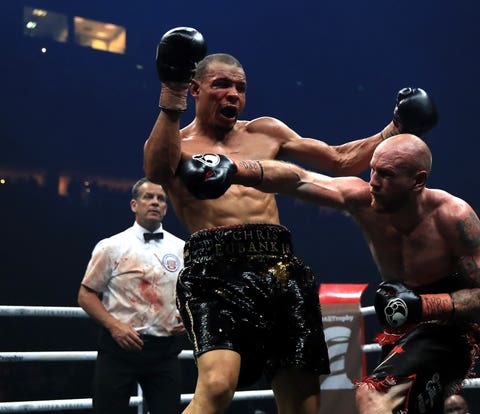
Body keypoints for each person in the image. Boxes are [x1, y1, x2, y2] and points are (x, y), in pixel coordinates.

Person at [143, 26, 437, 414]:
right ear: (195, 88)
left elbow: (338, 159)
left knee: (303, 402)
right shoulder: (176, 143)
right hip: (216, 272)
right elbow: (157, 171)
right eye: (222, 85)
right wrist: (172, 90)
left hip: (280, 269)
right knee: (216, 387)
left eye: (241, 87)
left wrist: (395, 129)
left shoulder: (267, 130)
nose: (234, 94)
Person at [178, 133, 480, 414]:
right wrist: (235, 169)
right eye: (372, 170)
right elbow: (299, 179)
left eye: (386, 175)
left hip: (448, 331)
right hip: (400, 329)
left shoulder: (454, 217)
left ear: (418, 181)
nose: (373, 181)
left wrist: (422, 305)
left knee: (373, 395)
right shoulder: (365, 199)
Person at [77, 178, 186, 414]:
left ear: (166, 208)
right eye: (149, 197)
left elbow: (194, 294)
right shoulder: (111, 246)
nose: (155, 202)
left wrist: (190, 318)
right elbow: (86, 295)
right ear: (134, 205)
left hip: (165, 351)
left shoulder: (181, 249)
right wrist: (114, 326)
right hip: (119, 349)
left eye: (160, 199)